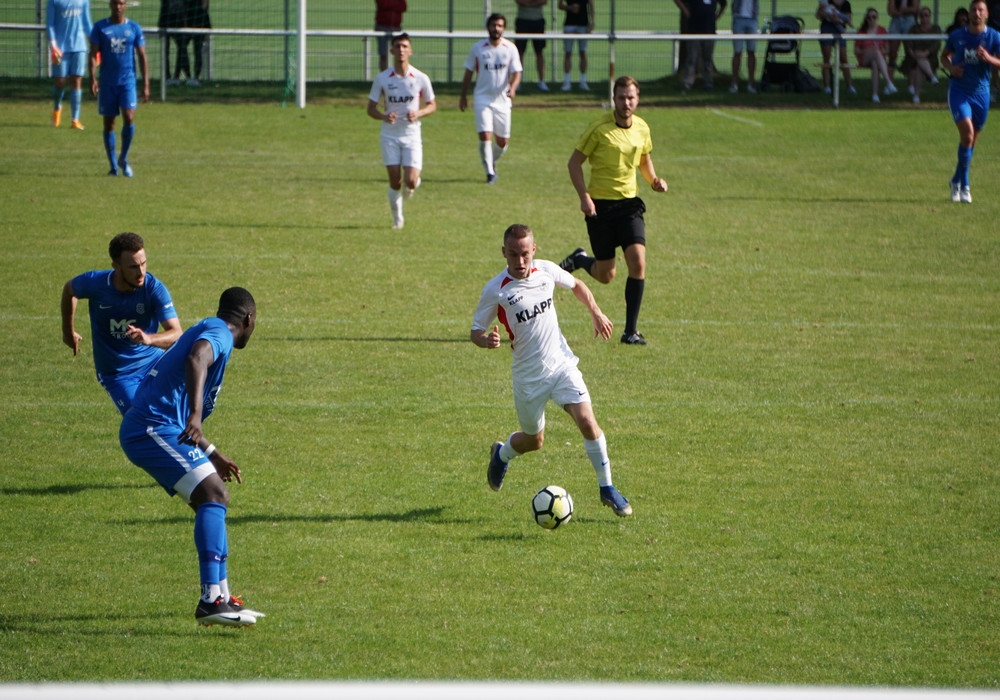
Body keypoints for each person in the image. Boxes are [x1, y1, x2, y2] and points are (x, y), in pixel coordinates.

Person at [119, 287, 263, 627]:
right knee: (214, 494)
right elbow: (197, 358)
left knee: (213, 499)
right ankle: (211, 599)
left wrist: (212, 452)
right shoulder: (221, 334)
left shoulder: (211, 327)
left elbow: (181, 413)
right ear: (249, 319)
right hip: (150, 428)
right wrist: (197, 415)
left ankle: (221, 597)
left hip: (160, 426)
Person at [471, 223, 633, 518]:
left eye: (525, 254)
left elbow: (577, 285)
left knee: (588, 422)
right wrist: (486, 340)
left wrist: (595, 311)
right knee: (534, 441)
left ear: (534, 250)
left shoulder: (545, 270)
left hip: (561, 365)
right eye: (513, 254)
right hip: (528, 378)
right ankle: (501, 453)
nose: (520, 261)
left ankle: (607, 487)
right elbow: (475, 330)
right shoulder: (496, 290)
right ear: (504, 252)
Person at [558, 76, 668, 346]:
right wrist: (584, 197)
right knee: (606, 275)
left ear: (637, 99)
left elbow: (644, 159)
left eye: (631, 98)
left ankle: (630, 331)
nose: (626, 103)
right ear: (613, 99)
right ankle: (580, 260)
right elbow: (574, 163)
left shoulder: (642, 128)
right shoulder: (598, 129)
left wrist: (653, 180)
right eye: (621, 97)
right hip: (600, 208)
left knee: (638, 263)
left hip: (629, 206)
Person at [61, 232, 182, 415]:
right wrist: (68, 332)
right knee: (139, 417)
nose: (141, 272)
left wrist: (148, 339)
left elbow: (177, 334)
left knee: (178, 412)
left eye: (143, 264)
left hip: (154, 362)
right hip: (118, 374)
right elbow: (69, 290)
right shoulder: (96, 283)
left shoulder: (153, 288)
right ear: (116, 267)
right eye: (133, 267)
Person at [367, 33, 437, 230]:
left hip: (412, 134)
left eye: (405, 46)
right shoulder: (382, 78)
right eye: (397, 46)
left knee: (411, 181)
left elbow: (432, 105)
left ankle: (411, 185)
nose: (401, 50)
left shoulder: (420, 78)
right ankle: (397, 218)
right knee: (395, 181)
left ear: (410, 51)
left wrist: (419, 113)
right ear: (391, 51)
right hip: (389, 135)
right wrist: (383, 116)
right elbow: (370, 109)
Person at [941, 0, 1000, 203]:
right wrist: (952, 68)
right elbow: (944, 56)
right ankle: (965, 185)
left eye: (980, 10)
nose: (977, 13)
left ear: (987, 14)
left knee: (971, 141)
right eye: (974, 9)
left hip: (981, 94)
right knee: (967, 134)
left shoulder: (994, 37)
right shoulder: (957, 36)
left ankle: (955, 180)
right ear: (969, 13)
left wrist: (989, 59)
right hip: (959, 91)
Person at [460, 14, 523, 185]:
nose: (496, 29)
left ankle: (491, 160)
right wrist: (463, 95)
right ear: (488, 27)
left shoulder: (510, 48)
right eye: (494, 25)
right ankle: (489, 172)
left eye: (500, 26)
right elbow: (468, 72)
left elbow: (517, 72)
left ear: (504, 28)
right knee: (485, 134)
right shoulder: (478, 48)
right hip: (482, 98)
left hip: (502, 101)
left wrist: (513, 87)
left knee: (502, 142)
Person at [89, 0, 149, 177]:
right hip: (107, 83)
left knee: (129, 116)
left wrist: (146, 84)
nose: (118, 7)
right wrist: (92, 78)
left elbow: (142, 56)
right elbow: (93, 54)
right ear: (110, 5)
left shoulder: (134, 28)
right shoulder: (100, 27)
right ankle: (113, 166)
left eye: (121, 3)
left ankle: (123, 157)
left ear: (125, 5)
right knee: (109, 123)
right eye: (115, 3)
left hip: (127, 82)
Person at [47, 0, 92, 130]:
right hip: (60, 48)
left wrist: (95, 43)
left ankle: (75, 119)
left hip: (79, 46)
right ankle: (57, 108)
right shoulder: (54, 1)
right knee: (60, 81)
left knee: (76, 80)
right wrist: (53, 46)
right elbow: (50, 24)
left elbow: (87, 22)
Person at [674, 0, 728, 91]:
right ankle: (687, 83)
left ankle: (708, 83)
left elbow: (724, 4)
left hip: (709, 30)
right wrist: (686, 12)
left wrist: (718, 15)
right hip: (694, 30)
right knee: (692, 58)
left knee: (707, 59)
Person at [855, 7, 897, 102]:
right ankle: (888, 82)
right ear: (866, 19)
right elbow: (856, 50)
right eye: (869, 17)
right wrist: (868, 50)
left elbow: (887, 49)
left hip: (878, 59)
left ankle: (875, 95)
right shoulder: (862, 31)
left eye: (874, 17)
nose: (871, 20)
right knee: (875, 50)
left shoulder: (882, 30)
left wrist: (878, 52)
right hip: (865, 58)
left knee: (875, 63)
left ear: (877, 18)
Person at [900, 6, 941, 102]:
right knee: (919, 63)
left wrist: (926, 52)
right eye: (921, 15)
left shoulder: (935, 29)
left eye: (926, 15)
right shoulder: (914, 28)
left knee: (919, 66)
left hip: (930, 58)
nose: (924, 17)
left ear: (930, 16)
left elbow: (937, 44)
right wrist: (912, 53)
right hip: (914, 57)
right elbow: (908, 43)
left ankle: (916, 95)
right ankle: (932, 77)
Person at [818, 0, 857, 95]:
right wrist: (829, 16)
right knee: (827, 59)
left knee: (843, 58)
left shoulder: (846, 3)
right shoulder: (827, 2)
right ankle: (827, 87)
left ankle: (850, 86)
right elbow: (818, 15)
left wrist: (838, 19)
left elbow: (848, 19)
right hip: (827, 30)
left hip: (840, 31)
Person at [558, 0, 593, 91]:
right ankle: (567, 81)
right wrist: (570, 8)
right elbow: (560, 5)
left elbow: (591, 5)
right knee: (568, 53)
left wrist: (592, 22)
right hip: (569, 25)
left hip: (583, 25)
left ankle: (583, 81)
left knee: (583, 53)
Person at [514, 0, 549, 91]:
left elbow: (544, 1)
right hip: (522, 21)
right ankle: (518, 82)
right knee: (520, 52)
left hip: (538, 21)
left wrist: (529, 3)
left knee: (539, 52)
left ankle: (541, 81)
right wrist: (531, 3)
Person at [886, 0, 920, 82]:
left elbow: (915, 9)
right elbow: (891, 10)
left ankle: (911, 84)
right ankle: (889, 83)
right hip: (896, 21)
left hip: (910, 21)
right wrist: (905, 11)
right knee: (892, 54)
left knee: (910, 53)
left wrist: (900, 11)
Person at [729, 0, 759, 93]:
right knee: (737, 52)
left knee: (751, 52)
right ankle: (734, 83)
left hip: (752, 19)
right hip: (739, 18)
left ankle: (751, 83)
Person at [181, 0, 211, 87]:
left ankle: (193, 77)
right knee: (184, 48)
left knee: (195, 49)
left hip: (197, 20)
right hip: (191, 20)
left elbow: (205, 5)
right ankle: (190, 77)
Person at [158, 0, 186, 86]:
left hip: (179, 20)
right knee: (165, 49)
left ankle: (176, 76)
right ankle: (167, 76)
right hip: (166, 19)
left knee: (181, 48)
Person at [374, 0, 406, 72]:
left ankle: (397, 74)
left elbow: (403, 7)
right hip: (382, 27)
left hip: (396, 28)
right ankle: (384, 75)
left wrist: (391, 5)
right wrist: (395, 4)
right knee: (383, 54)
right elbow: (383, 4)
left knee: (399, 54)